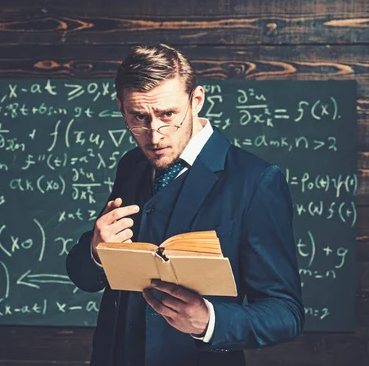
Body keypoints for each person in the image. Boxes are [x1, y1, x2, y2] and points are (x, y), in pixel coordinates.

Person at [66, 44, 304, 366]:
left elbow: (285, 313)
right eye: (139, 117)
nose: (154, 135)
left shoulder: (256, 181)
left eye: (168, 115)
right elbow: (85, 278)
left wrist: (210, 322)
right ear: (121, 108)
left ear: (196, 100)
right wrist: (96, 251)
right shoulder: (131, 165)